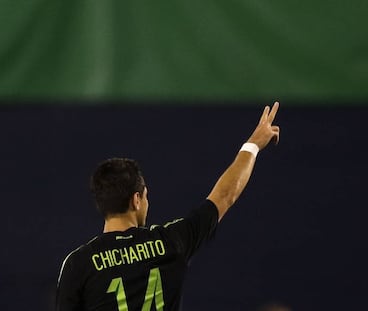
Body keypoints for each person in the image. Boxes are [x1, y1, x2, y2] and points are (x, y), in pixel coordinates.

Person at [56, 102, 281, 311]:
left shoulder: (79, 263)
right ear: (136, 200)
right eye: (145, 196)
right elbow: (224, 196)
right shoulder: (170, 242)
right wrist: (253, 145)